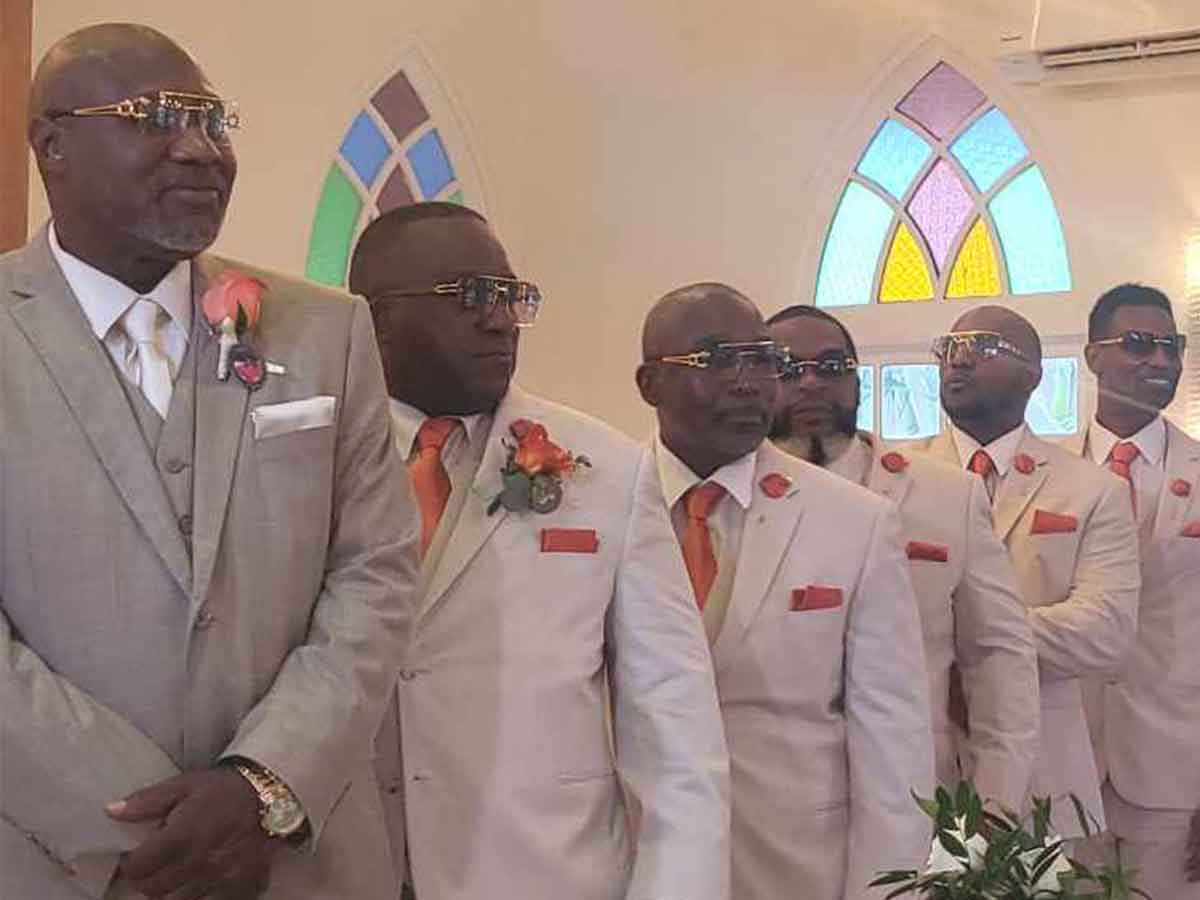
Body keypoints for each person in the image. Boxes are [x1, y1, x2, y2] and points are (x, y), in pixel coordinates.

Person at [1, 23, 419, 900]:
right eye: (153, 118)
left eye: (211, 120)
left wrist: (263, 785)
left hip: (296, 857)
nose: (200, 150)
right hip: (55, 862)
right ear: (53, 145)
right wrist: (134, 826)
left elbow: (376, 574)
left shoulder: (324, 331)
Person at [348, 203, 730, 900]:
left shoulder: (608, 468)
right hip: (345, 869)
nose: (499, 321)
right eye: (468, 297)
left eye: (511, 297)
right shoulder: (303, 454)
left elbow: (676, 731)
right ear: (375, 318)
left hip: (540, 872)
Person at [635, 282, 934, 900]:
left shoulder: (855, 520)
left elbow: (892, 742)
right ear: (649, 384)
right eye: (715, 360)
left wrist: (888, 889)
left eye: (762, 359)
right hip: (636, 861)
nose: (748, 382)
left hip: (796, 867)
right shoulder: (604, 500)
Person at [766, 305, 1038, 814]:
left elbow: (1000, 657)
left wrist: (995, 803)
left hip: (919, 797)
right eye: (785, 367)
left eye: (831, 367)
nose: (809, 384)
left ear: (857, 379)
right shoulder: (724, 502)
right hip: (766, 810)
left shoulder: (944, 495)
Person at [913, 304, 1140, 838]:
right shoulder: (897, 479)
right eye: (948, 350)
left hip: (1047, 774)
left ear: (1034, 375)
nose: (957, 363)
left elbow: (1105, 629)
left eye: (982, 348)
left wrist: (971, 635)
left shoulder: (1091, 490)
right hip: (918, 765)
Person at [1072, 284, 1200, 899]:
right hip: (1061, 768)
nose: (1160, 362)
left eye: (1170, 346)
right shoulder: (1044, 476)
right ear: (1093, 356)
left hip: (1179, 774)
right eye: (1138, 345)